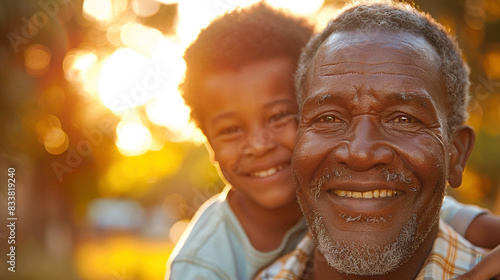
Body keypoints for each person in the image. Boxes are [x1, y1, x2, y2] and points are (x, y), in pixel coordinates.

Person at [165, 2, 500, 280]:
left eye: (403, 118)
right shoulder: (203, 261)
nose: (360, 152)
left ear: (455, 154)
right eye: (328, 118)